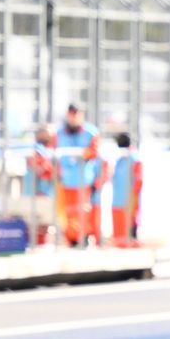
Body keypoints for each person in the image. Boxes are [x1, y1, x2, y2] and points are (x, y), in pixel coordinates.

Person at [55, 105, 102, 247]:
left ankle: (85, 237)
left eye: (76, 114)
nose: (74, 118)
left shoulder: (91, 133)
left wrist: (81, 154)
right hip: (66, 180)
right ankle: (72, 239)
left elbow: (94, 152)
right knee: (68, 212)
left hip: (84, 180)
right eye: (71, 114)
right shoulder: (59, 133)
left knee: (83, 210)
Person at [109, 132, 144, 248]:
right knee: (119, 230)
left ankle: (131, 241)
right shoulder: (120, 160)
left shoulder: (134, 159)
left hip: (128, 201)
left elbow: (138, 180)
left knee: (130, 224)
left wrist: (133, 198)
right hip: (118, 201)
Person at [27, 124, 58, 245]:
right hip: (38, 189)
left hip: (48, 190)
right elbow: (40, 167)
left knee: (47, 219)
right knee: (38, 219)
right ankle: (37, 242)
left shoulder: (53, 149)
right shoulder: (37, 149)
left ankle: (44, 242)